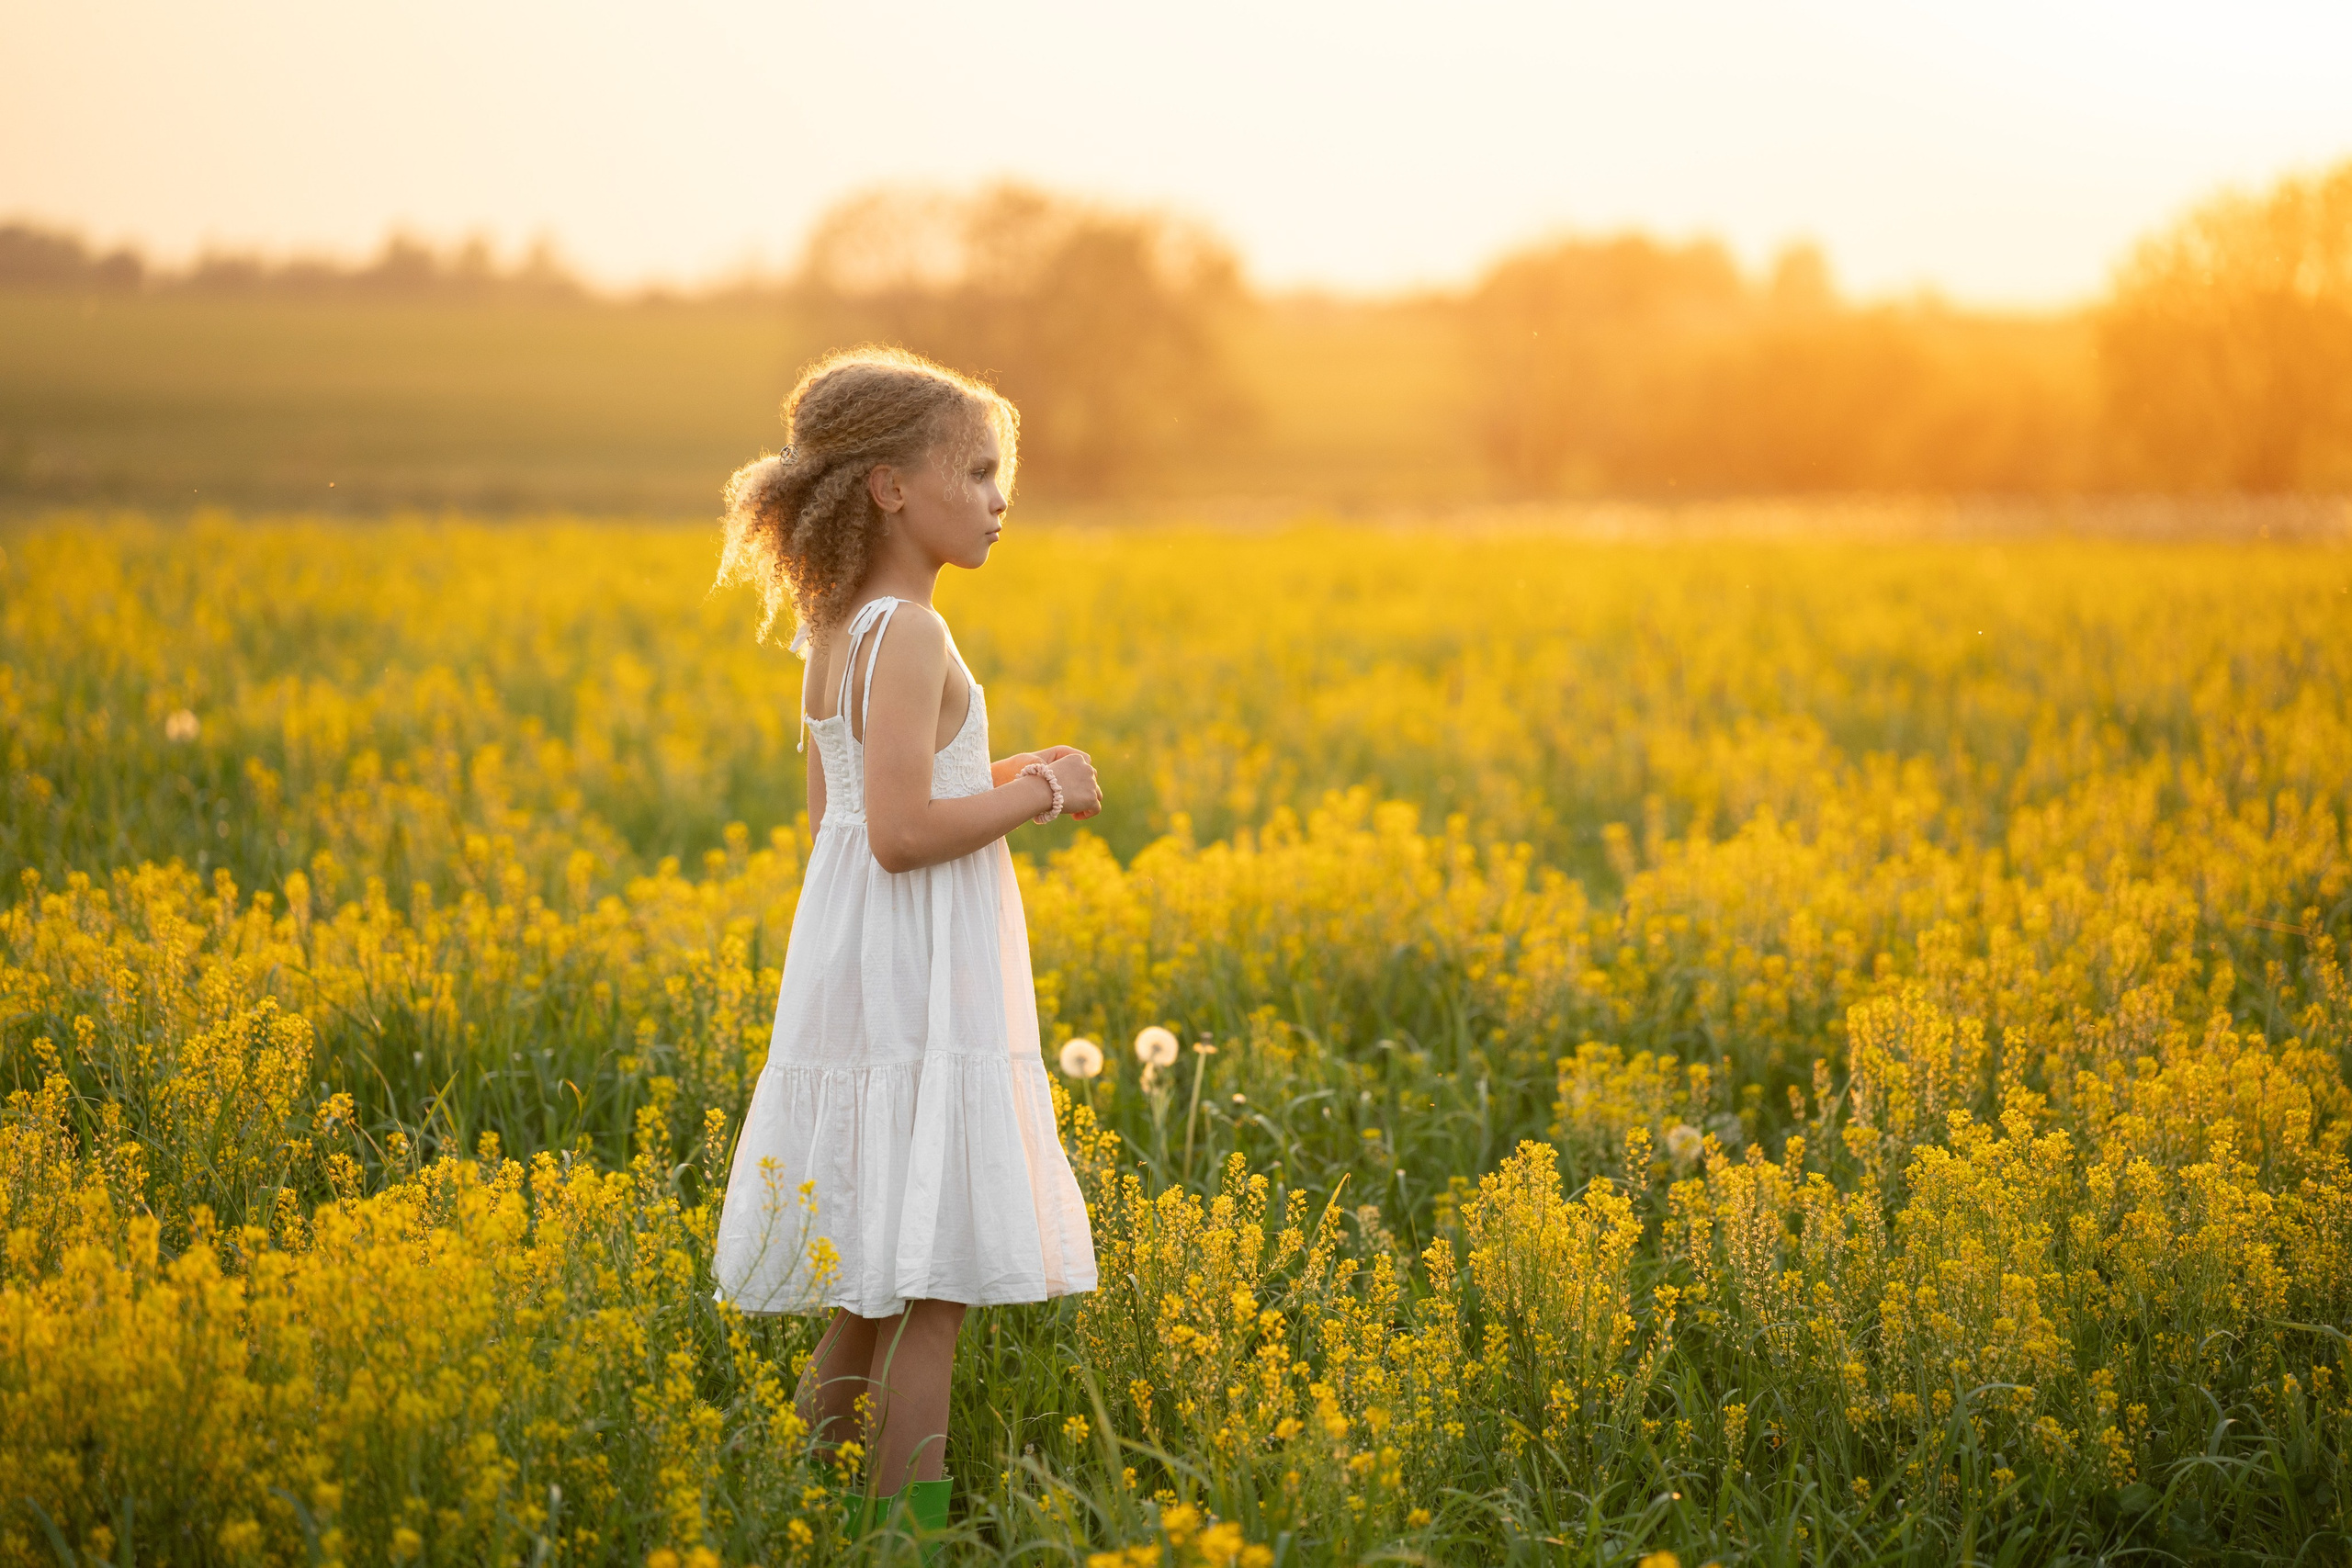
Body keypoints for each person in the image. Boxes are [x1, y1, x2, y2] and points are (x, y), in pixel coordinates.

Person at [709, 348, 1101, 1542]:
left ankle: (800, 1505)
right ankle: (911, 1535)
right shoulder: (915, 632)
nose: (998, 499)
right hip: (923, 973)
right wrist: (1042, 796)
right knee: (931, 1288)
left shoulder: (839, 630)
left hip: (858, 964)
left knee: (873, 1286)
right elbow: (899, 831)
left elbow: (843, 816)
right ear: (888, 487)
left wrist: (997, 771)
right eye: (975, 472)